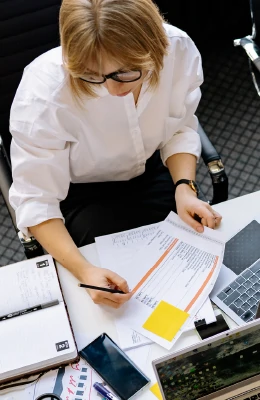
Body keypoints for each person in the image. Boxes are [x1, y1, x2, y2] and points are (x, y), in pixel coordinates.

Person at [9, 0, 222, 309]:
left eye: (124, 73)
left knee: (198, 284)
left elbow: (179, 127)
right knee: (112, 304)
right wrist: (85, 270)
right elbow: (36, 199)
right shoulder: (43, 93)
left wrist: (184, 188)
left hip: (152, 171)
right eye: (92, 75)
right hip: (80, 192)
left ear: (152, 47)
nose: (111, 89)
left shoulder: (177, 50)